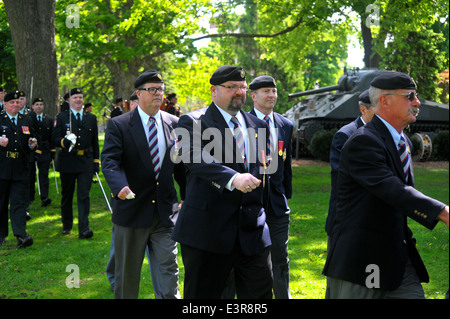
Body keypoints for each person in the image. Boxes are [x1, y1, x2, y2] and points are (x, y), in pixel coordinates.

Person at [322, 71, 449, 299]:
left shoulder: (403, 141)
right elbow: (391, 187)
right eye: (409, 96)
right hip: (363, 259)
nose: (417, 102)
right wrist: (442, 212)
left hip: (397, 256)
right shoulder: (362, 141)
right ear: (385, 100)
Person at [171, 65, 273, 299]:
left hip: (252, 234)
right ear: (213, 91)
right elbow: (193, 156)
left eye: (242, 87)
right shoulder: (193, 121)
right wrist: (232, 178)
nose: (239, 92)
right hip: (208, 234)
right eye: (231, 87)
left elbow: (265, 172)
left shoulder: (259, 126)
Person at [101, 70, 186, 299]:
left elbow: (181, 166)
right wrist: (120, 187)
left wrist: (188, 194)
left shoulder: (175, 123)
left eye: (161, 89)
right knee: (127, 277)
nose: (158, 93)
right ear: (138, 94)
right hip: (132, 210)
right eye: (152, 89)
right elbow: (110, 161)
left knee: (169, 272)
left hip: (165, 213)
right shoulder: (119, 125)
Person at [248, 75, 293, 299]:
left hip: (277, 204)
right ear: (253, 96)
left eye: (274, 91)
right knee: (253, 258)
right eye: (266, 91)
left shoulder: (286, 125)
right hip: (250, 202)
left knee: (280, 257)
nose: (271, 95)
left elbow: (286, 166)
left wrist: (286, 194)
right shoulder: (241, 123)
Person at [52, 88, 100, 239]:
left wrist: (96, 162)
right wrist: (63, 142)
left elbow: (95, 142)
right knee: (67, 195)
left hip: (85, 161)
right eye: (75, 98)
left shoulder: (91, 118)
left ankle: (84, 229)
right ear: (70, 100)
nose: (78, 100)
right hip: (68, 161)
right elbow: (54, 138)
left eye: (80, 97)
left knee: (83, 195)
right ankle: (67, 225)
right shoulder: (62, 117)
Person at [325, 89, 374, 236]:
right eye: (377, 108)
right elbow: (342, 176)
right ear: (363, 109)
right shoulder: (345, 135)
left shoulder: (383, 134)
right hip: (346, 220)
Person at [0, 91, 37, 248]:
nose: (15, 104)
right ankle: (1, 235)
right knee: (1, 203)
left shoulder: (26, 120)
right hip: (2, 166)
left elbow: (33, 139)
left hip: (20, 167)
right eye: (12, 102)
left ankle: (20, 235)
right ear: (5, 104)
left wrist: (32, 144)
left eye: (17, 102)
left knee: (18, 203)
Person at [29, 97, 55, 207]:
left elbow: (52, 137)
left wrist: (52, 151)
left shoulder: (48, 119)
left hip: (45, 149)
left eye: (41, 104)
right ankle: (30, 196)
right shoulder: (28, 118)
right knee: (31, 174)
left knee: (44, 174)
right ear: (33, 106)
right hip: (32, 150)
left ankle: (44, 197)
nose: (39, 106)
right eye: (37, 104)